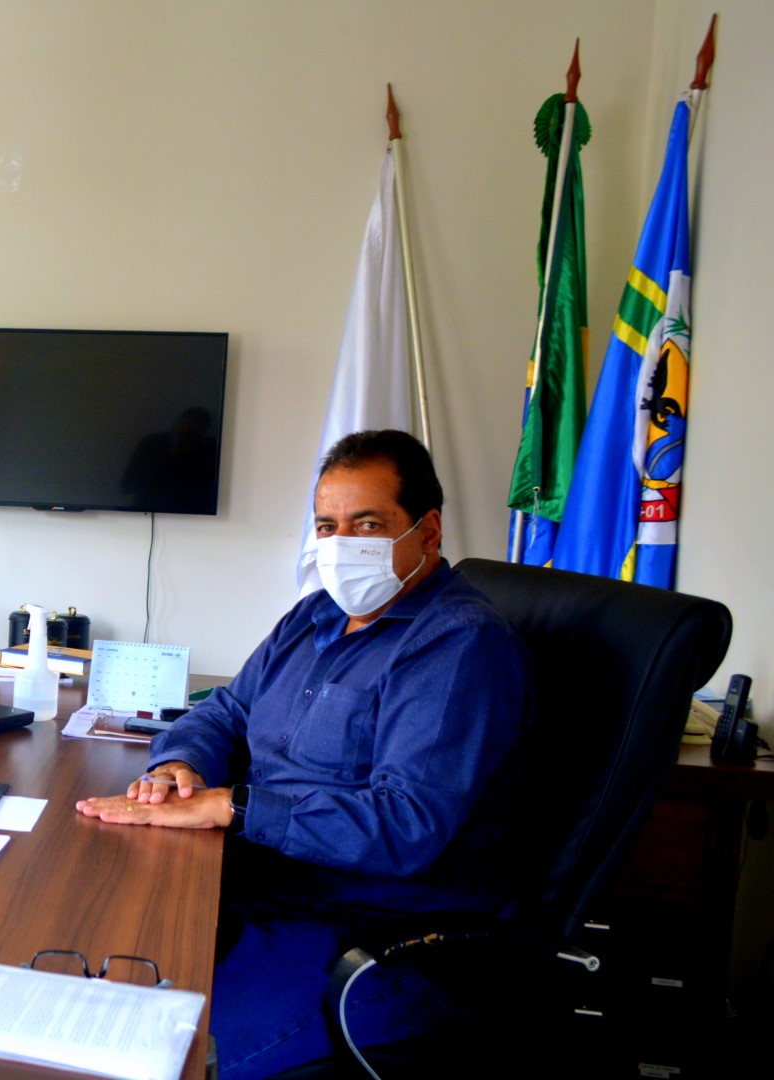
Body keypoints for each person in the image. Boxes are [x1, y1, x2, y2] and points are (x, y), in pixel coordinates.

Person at [77, 429, 532, 1078]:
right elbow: (228, 711)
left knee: (164, 1057)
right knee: (86, 981)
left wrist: (234, 806)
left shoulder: (459, 644)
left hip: (369, 927)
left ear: (428, 531)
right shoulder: (312, 616)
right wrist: (181, 766)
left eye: (367, 524)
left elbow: (405, 825)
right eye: (327, 526)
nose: (342, 545)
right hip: (256, 886)